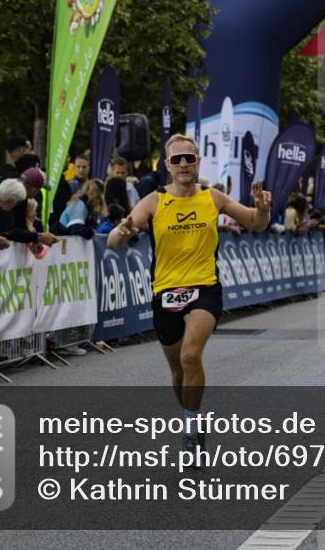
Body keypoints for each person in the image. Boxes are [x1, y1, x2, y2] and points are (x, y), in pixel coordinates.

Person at [107, 134, 272, 458]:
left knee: (190, 356)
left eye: (189, 158)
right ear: (167, 165)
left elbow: (256, 223)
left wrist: (263, 210)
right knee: (178, 371)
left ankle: (192, 429)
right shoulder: (154, 201)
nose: (183, 164)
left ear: (197, 162)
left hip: (204, 288)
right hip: (165, 290)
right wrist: (122, 232)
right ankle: (192, 418)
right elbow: (115, 240)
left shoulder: (214, 198)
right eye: (177, 159)